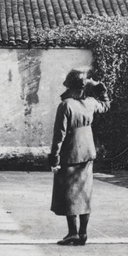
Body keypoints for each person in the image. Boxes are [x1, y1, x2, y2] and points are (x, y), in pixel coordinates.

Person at [49, 68, 110, 246]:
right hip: (87, 153)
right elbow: (106, 105)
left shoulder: (66, 105)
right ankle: (82, 233)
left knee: (69, 195)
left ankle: (72, 233)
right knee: (84, 193)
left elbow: (58, 135)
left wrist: (54, 158)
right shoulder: (90, 102)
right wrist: (99, 87)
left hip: (70, 153)